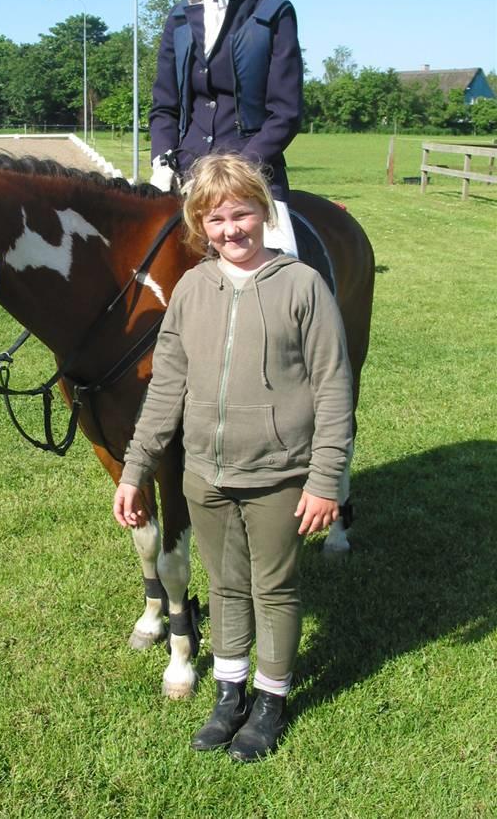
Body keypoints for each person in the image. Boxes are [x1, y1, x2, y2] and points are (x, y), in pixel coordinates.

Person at [113, 154, 352, 762]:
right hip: (206, 476)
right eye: (215, 219)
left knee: (273, 588)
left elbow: (332, 385)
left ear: (263, 214)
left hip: (278, 475)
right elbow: (166, 386)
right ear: (200, 224)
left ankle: (270, 701)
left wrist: (325, 480)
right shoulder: (193, 288)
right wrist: (138, 469)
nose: (231, 229)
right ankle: (230, 692)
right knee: (224, 587)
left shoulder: (302, 285)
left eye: (242, 214)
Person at [149, 0, 303, 256]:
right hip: (184, 176)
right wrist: (162, 159)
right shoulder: (180, 19)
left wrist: (237, 171)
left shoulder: (274, 14)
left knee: (283, 277)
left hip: (254, 178)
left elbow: (285, 113)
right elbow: (164, 105)